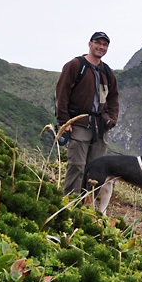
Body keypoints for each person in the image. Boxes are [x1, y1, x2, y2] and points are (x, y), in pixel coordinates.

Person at [55, 31, 120, 196]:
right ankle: (69, 203)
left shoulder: (107, 72)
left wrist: (112, 120)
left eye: (105, 44)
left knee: (97, 168)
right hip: (79, 124)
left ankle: (87, 205)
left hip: (100, 127)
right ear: (90, 44)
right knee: (77, 165)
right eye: (98, 43)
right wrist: (64, 122)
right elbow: (61, 94)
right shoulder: (76, 65)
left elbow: (114, 98)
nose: (101, 47)